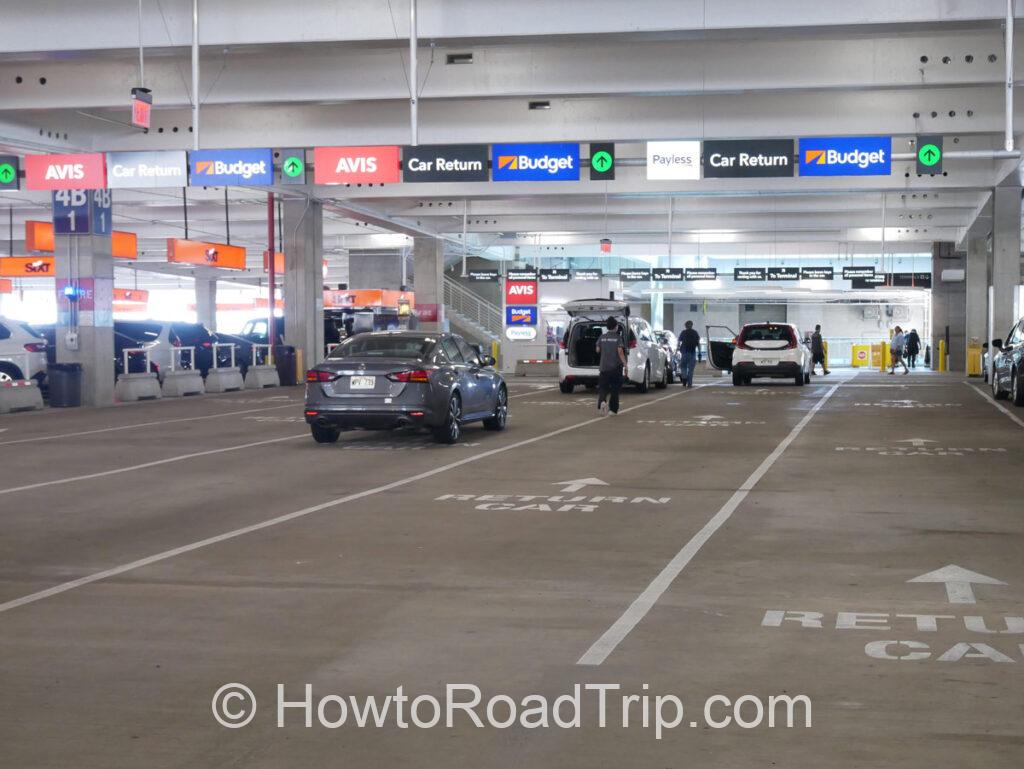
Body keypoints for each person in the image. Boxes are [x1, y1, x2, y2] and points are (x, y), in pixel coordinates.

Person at [596, 316, 627, 415]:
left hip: (604, 367)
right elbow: (620, 351)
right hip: (615, 368)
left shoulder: (602, 337)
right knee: (615, 389)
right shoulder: (618, 338)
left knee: (603, 388)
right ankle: (613, 410)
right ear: (615, 327)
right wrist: (625, 365)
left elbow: (597, 350)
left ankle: (602, 402)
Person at [677, 320, 701, 388]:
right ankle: (689, 383)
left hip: (684, 353)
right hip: (692, 353)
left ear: (685, 326)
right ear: (692, 325)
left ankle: (684, 378)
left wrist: (677, 350)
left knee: (683, 366)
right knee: (691, 369)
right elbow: (698, 344)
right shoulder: (695, 333)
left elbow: (679, 342)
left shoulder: (683, 333)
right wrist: (699, 353)